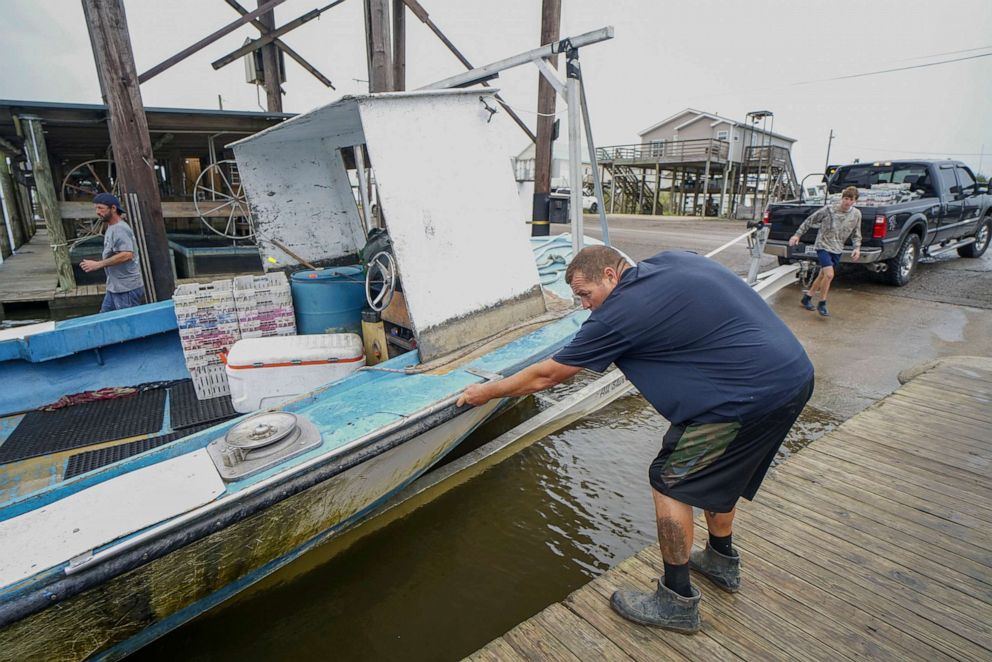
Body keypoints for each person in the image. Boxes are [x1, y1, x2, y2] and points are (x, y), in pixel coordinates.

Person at [457, 245, 813, 633]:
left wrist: (486, 392)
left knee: (671, 483)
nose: (584, 305)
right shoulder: (673, 260)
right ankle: (720, 560)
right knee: (722, 472)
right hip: (792, 376)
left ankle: (676, 601)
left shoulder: (618, 312)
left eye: (585, 294)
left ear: (611, 275)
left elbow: (548, 375)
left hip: (740, 400)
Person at [788, 185, 862, 317]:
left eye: (851, 200)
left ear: (855, 201)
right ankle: (822, 303)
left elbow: (856, 233)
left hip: (838, 247)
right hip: (823, 245)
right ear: (842, 198)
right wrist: (797, 235)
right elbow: (810, 220)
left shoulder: (856, 214)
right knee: (829, 275)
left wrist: (857, 247)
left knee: (823, 275)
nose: (847, 202)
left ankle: (807, 298)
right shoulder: (829, 210)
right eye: (846, 198)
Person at [80, 193, 146, 312]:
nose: (97, 212)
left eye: (100, 208)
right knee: (103, 319)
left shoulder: (120, 228)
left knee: (127, 323)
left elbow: (127, 254)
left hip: (126, 289)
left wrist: (97, 264)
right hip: (114, 287)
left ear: (113, 208)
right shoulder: (111, 227)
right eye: (96, 208)